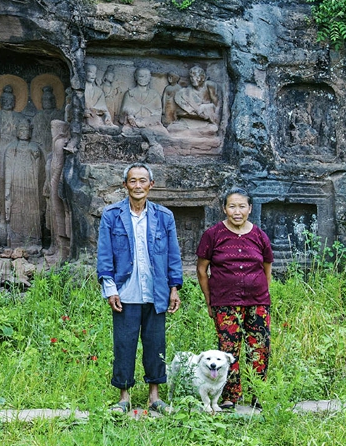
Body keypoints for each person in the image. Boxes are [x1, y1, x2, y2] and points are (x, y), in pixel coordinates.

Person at [96, 163, 183, 415]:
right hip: (125, 292)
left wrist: (174, 287)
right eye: (132, 181)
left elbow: (173, 255)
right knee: (124, 343)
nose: (137, 186)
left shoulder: (164, 216)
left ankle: (154, 397)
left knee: (156, 343)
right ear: (125, 185)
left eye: (142, 181)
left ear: (151, 185)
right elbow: (105, 255)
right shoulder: (112, 215)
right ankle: (124, 397)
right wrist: (110, 288)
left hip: (156, 291)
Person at [195, 188, 273, 411]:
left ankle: (258, 392)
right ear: (224, 209)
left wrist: (263, 296)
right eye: (232, 206)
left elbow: (266, 267)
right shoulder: (213, 235)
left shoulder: (259, 236)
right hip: (224, 302)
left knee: (259, 347)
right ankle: (230, 395)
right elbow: (202, 270)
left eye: (241, 206)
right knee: (229, 349)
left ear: (250, 209)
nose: (237, 211)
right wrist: (210, 301)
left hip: (257, 302)